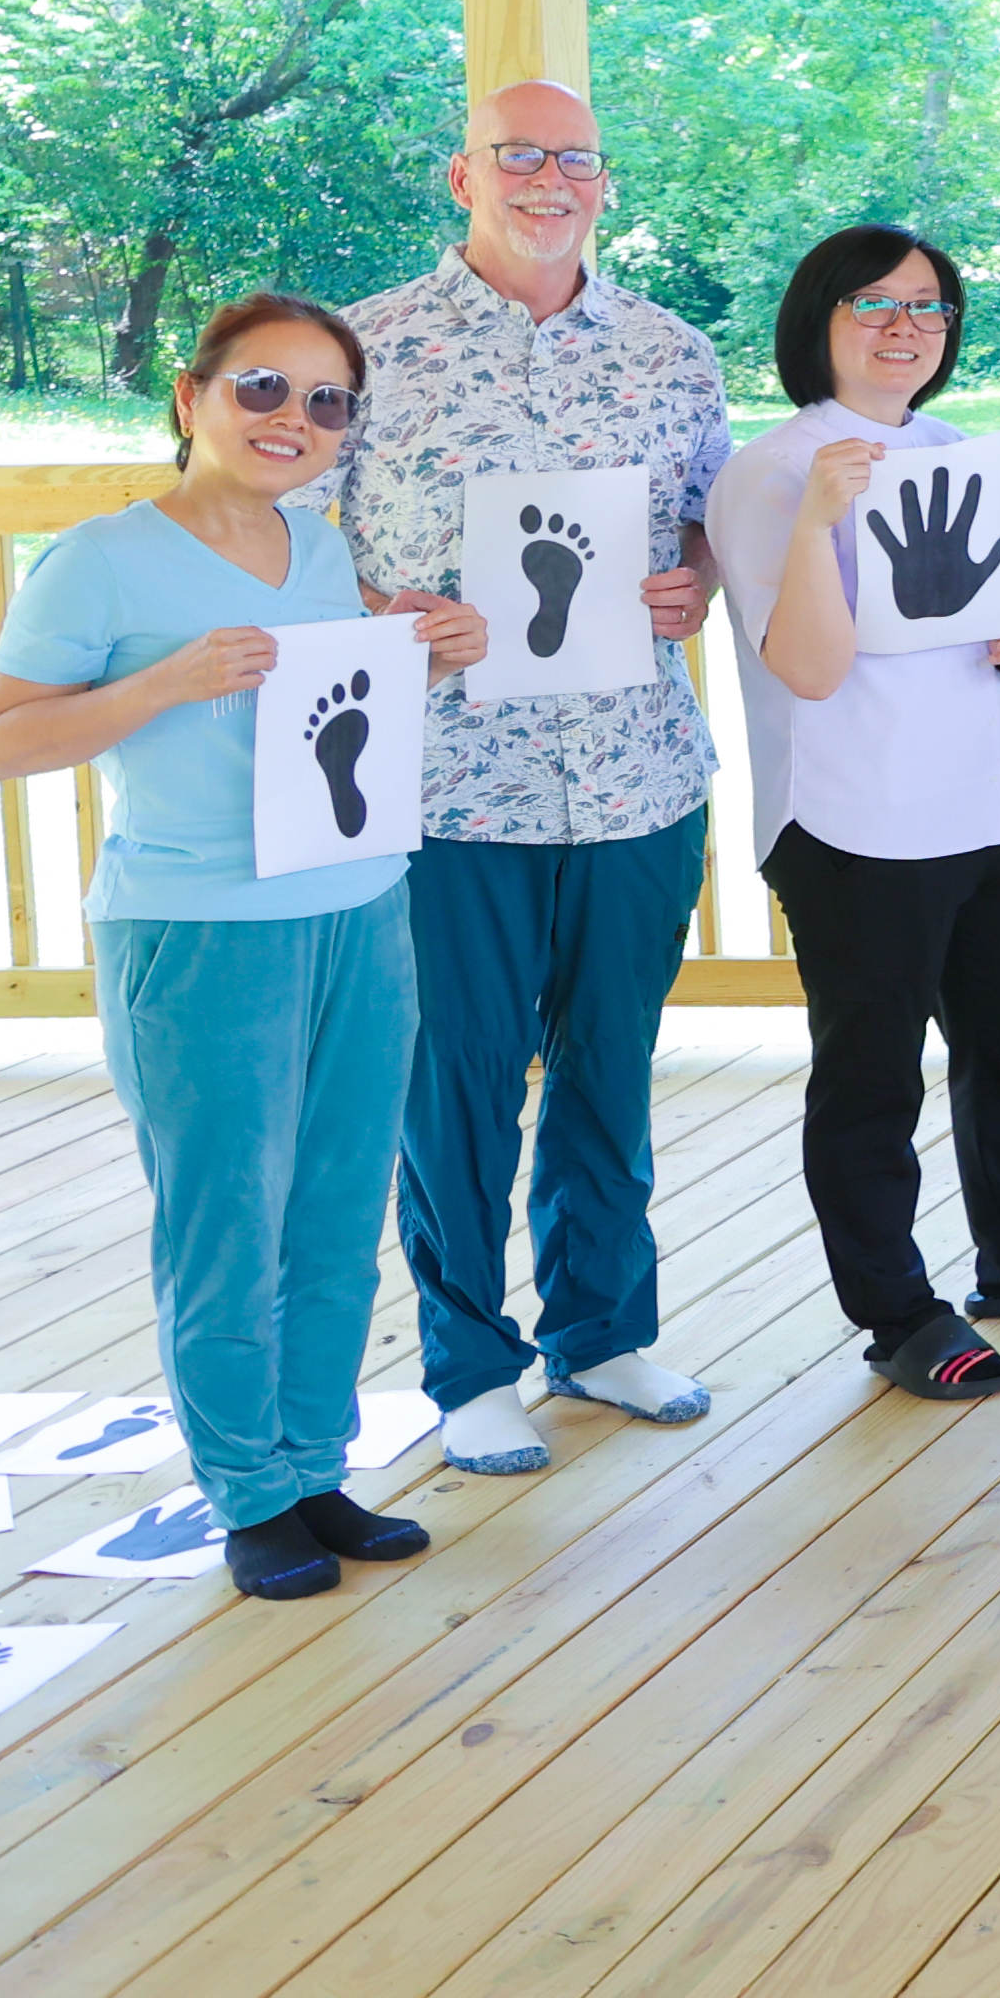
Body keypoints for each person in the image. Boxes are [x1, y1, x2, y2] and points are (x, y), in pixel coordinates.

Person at [0, 297, 487, 1595]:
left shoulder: (319, 547)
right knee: (226, 1221)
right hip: (201, 931)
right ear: (189, 396)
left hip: (360, 909)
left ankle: (315, 1468)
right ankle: (247, 1492)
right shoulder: (101, 562)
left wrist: (439, 647)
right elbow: (1, 737)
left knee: (335, 1209)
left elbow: (339, 694)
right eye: (264, 388)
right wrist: (163, 682)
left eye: (328, 403)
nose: (294, 421)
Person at [333, 80, 735, 1479]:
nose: (548, 179)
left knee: (609, 1071)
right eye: (519, 156)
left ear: (605, 185)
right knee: (454, 1082)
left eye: (574, 159)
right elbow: (290, 540)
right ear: (464, 176)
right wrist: (381, 611)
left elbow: (702, 525)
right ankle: (467, 1364)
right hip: (450, 789)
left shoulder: (674, 354)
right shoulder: (365, 351)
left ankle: (605, 1331)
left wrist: (690, 583)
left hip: (637, 777)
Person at [716, 230, 1000, 1407]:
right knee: (871, 1083)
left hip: (983, 803)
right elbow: (806, 668)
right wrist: (816, 521)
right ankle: (897, 1310)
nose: (907, 327)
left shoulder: (961, 449)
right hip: (852, 821)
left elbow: (981, 616)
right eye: (876, 304)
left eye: (930, 308)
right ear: (819, 317)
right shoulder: (768, 471)